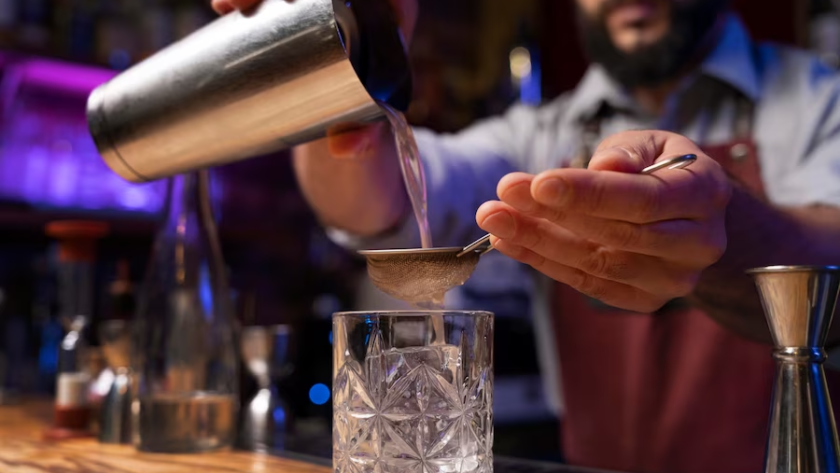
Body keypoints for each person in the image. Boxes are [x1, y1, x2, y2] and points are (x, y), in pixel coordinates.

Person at [213, 0, 840, 472]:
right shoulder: (537, 135)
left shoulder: (819, 99)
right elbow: (374, 202)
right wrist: (349, 50)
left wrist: (727, 220)